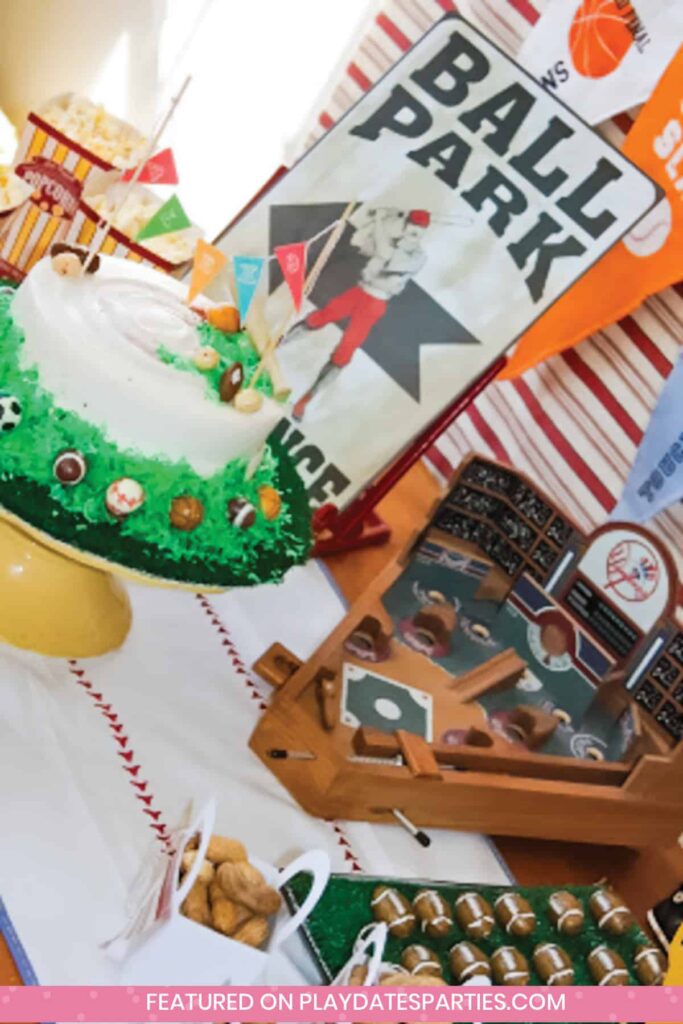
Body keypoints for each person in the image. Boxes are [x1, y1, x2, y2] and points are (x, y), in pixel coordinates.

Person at [289, 208, 430, 421]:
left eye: (420, 227)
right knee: (319, 317)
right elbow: (361, 244)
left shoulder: (418, 256)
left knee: (345, 351)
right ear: (406, 224)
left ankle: (305, 401)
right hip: (359, 291)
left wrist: (381, 220)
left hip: (376, 302)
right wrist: (374, 223)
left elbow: (386, 256)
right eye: (412, 224)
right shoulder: (391, 238)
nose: (415, 230)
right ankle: (272, 348)